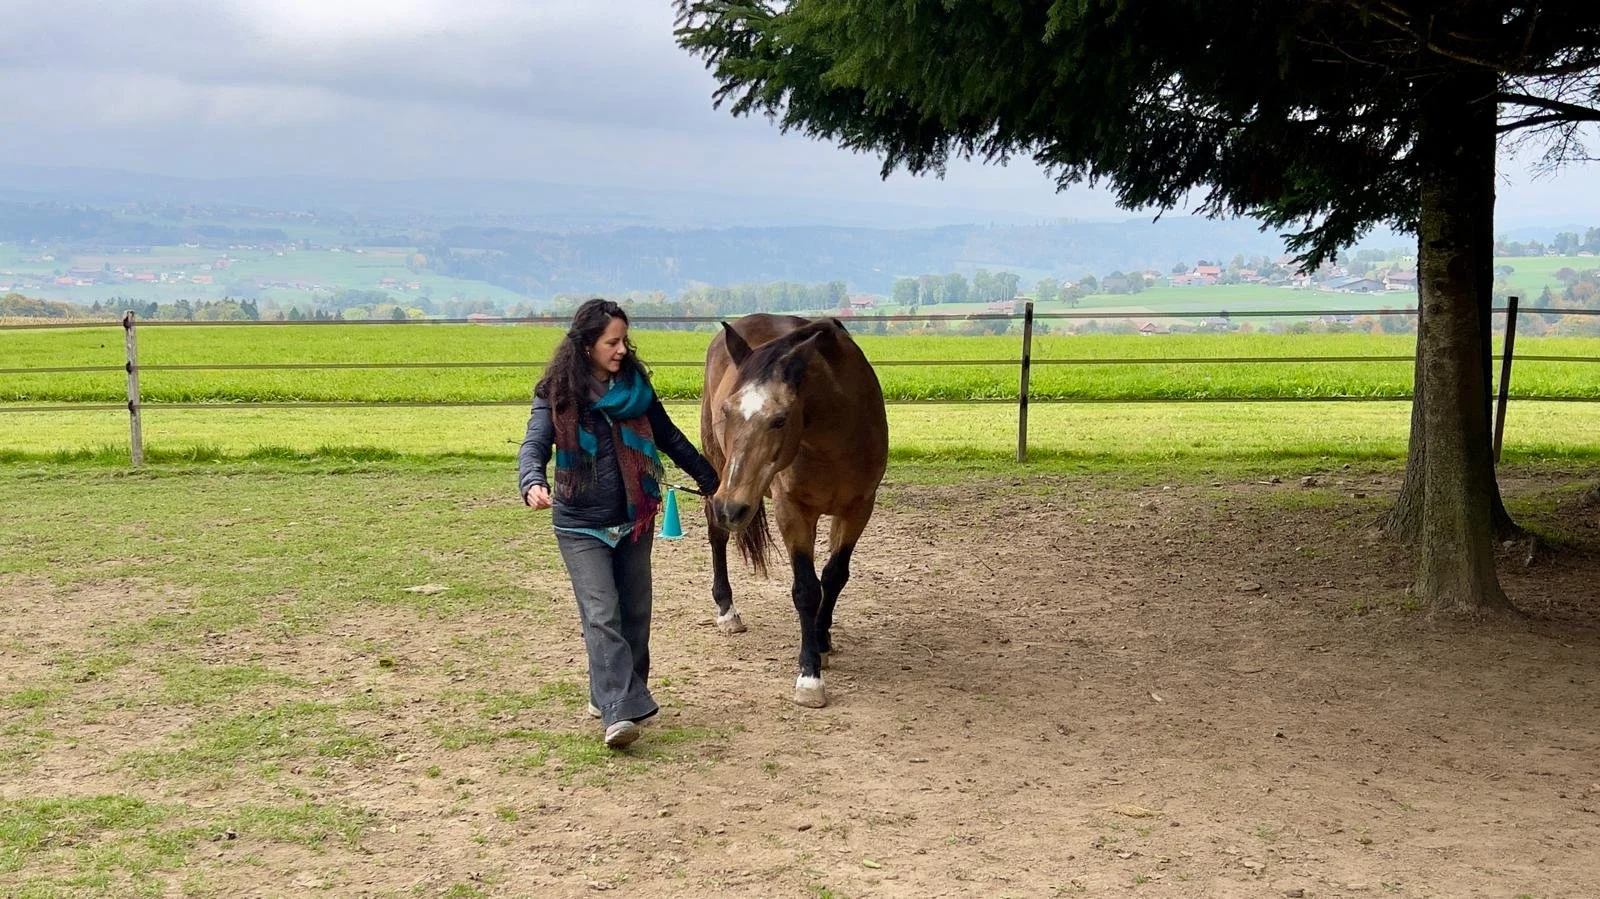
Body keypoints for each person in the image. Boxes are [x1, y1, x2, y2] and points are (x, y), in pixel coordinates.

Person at [518, 298, 719, 749]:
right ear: (587, 345)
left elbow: (669, 438)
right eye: (613, 341)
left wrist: (711, 480)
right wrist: (532, 480)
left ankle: (611, 691)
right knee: (601, 613)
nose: (622, 349)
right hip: (579, 523)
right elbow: (535, 443)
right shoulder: (556, 391)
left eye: (625, 340)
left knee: (635, 617)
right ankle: (618, 710)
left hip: (634, 518)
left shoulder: (636, 387)